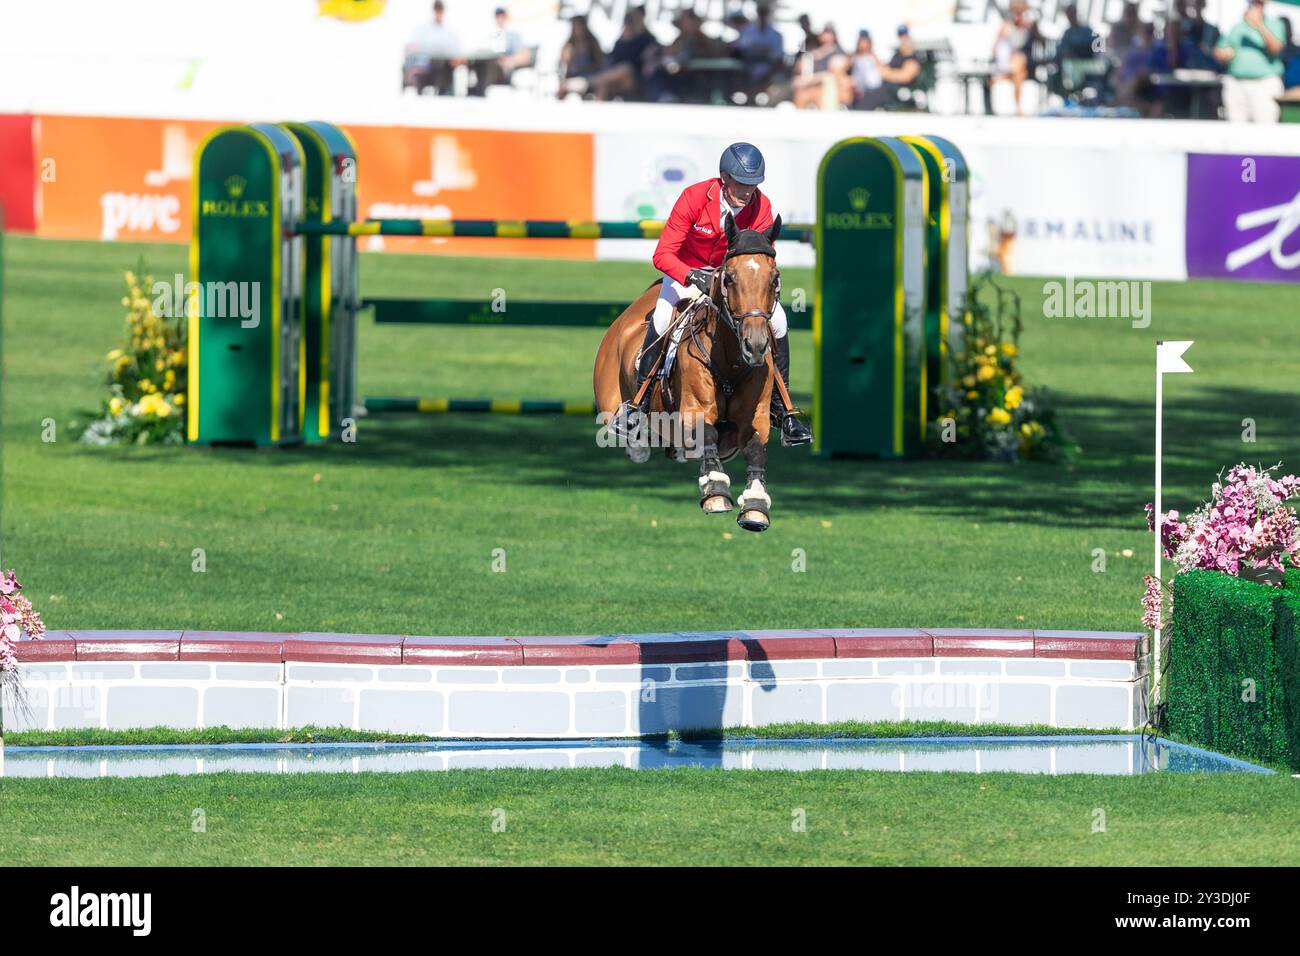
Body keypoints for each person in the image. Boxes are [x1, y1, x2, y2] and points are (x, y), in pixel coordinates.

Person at [613, 144, 811, 447]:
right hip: (687, 273)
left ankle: (783, 411)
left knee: (779, 321)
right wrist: (693, 276)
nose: (747, 192)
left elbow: (759, 260)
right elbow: (663, 254)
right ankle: (637, 406)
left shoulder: (762, 207)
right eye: (741, 183)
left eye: (753, 184)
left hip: (732, 284)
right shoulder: (694, 198)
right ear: (723, 178)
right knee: (664, 316)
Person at [1214, 0, 1286, 122]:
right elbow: (1218, 50)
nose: (1254, 7)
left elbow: (1276, 48)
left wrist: (1259, 26)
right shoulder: (1236, 26)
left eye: (1259, 4)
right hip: (1236, 84)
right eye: (1252, 3)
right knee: (1236, 130)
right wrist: (1223, 54)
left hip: (1264, 84)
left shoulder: (1275, 24)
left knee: (1265, 129)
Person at [590, 6, 658, 101]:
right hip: (615, 76)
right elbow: (612, 56)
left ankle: (587, 82)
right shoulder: (621, 40)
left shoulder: (648, 39)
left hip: (635, 77)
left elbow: (650, 58)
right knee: (603, 84)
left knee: (625, 68)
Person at [404, 0, 461, 95]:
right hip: (425, 67)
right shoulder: (422, 29)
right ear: (433, 10)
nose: (438, 12)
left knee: (443, 68)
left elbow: (456, 51)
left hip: (444, 68)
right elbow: (410, 46)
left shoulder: (450, 31)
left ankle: (444, 91)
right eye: (436, 9)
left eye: (440, 10)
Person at [992, 0, 1039, 115]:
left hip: (1026, 62)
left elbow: (1038, 40)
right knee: (1018, 68)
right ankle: (1006, 74)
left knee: (1019, 61)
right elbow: (997, 46)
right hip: (1010, 61)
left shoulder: (1029, 25)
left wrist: (1030, 27)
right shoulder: (1007, 26)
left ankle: (1004, 76)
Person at [471, 7, 532, 95]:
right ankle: (480, 91)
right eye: (498, 16)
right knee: (480, 64)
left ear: (506, 17)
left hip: (503, 68)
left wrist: (509, 62)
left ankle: (481, 91)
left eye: (502, 16)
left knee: (488, 66)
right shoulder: (490, 34)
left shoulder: (513, 35)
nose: (500, 19)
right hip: (489, 64)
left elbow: (525, 55)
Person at [792, 25, 852, 109]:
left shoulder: (838, 53)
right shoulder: (811, 54)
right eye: (824, 33)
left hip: (829, 88)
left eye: (828, 33)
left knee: (821, 95)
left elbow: (833, 75)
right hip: (811, 86)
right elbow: (800, 74)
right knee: (801, 96)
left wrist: (810, 80)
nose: (825, 36)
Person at [558, 14, 605, 98]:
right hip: (574, 80)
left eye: (579, 26)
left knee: (601, 86)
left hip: (591, 79)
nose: (577, 29)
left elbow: (600, 62)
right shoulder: (568, 47)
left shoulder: (593, 44)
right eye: (575, 26)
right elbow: (564, 69)